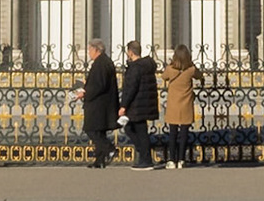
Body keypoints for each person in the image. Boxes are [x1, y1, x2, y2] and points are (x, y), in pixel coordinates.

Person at [73, 39, 119, 167]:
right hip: (102, 103)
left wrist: (85, 93)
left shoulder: (101, 64)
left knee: (91, 130)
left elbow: (99, 85)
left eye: (90, 50)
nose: (88, 53)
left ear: (96, 50)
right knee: (99, 131)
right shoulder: (103, 62)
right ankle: (100, 160)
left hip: (98, 104)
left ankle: (109, 148)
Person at [119, 40, 159, 171]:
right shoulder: (146, 66)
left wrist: (124, 105)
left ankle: (146, 158)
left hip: (137, 104)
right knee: (135, 130)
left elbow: (131, 87)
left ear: (130, 52)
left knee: (136, 131)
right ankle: (144, 156)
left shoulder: (135, 67)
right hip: (144, 102)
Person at [160, 44, 201, 169]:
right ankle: (181, 160)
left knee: (172, 133)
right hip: (186, 104)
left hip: (173, 104)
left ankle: (172, 159)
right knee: (184, 134)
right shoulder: (191, 70)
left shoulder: (171, 69)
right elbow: (199, 75)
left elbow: (163, 77)